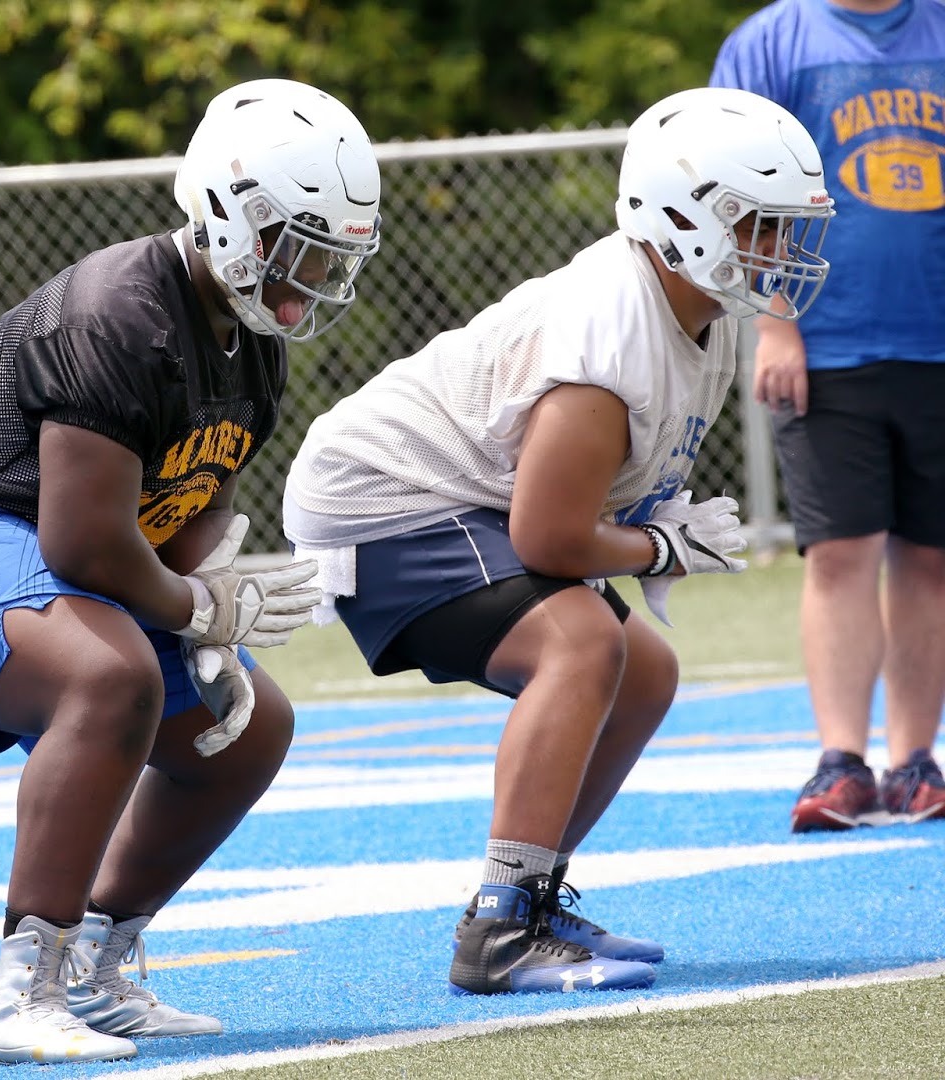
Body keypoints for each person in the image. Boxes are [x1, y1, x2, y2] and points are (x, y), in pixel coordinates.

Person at [0, 78, 380, 1064]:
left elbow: (193, 501)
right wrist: (198, 611)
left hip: (15, 534)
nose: (310, 281)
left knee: (244, 731)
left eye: (332, 258)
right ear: (225, 213)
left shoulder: (252, 345)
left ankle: (95, 970)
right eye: (296, 249)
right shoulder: (120, 311)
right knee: (108, 677)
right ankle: (17, 989)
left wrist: (212, 609)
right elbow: (83, 544)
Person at [283, 87, 834, 995]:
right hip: (382, 501)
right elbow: (548, 534)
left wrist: (645, 538)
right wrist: (657, 549)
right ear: (683, 218)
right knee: (580, 646)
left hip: (462, 499)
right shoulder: (613, 331)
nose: (779, 250)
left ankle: (529, 895)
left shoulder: (693, 309)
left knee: (643, 668)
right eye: (757, 224)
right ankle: (500, 927)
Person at [711, 0, 945, 833]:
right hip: (826, 340)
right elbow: (736, 194)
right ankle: (841, 758)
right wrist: (775, 322)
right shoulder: (773, 42)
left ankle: (916, 759)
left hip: (936, 339)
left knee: (932, 557)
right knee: (841, 552)